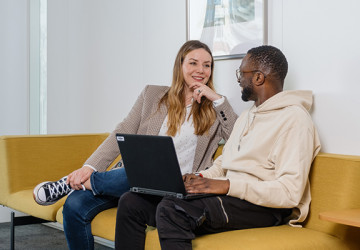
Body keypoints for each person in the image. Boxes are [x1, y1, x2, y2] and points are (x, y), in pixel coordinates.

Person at [32, 40, 238, 250]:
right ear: (180, 65)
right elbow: (122, 131)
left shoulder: (214, 111)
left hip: (173, 188)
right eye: (193, 63)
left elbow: (239, 138)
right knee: (74, 205)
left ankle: (71, 183)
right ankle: (85, 181)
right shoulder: (152, 95)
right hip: (125, 180)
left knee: (145, 172)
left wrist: (218, 100)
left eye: (207, 65)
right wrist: (89, 167)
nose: (201, 70)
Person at [114, 45, 321, 250]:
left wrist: (228, 185)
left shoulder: (295, 119)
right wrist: (201, 178)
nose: (239, 79)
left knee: (172, 210)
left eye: (242, 73)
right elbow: (225, 161)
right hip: (231, 196)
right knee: (132, 202)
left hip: (264, 208)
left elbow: (289, 192)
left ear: (258, 78)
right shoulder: (250, 115)